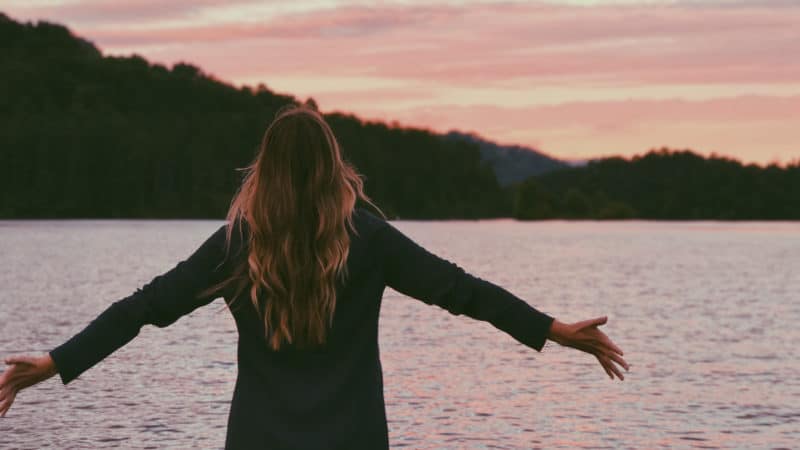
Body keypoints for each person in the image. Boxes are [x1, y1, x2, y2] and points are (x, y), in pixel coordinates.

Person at [0, 103, 628, 449]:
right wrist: (553, 330)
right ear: (333, 165)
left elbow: (141, 308)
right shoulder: (368, 238)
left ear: (264, 170)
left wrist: (55, 363)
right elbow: (462, 291)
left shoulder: (236, 247)